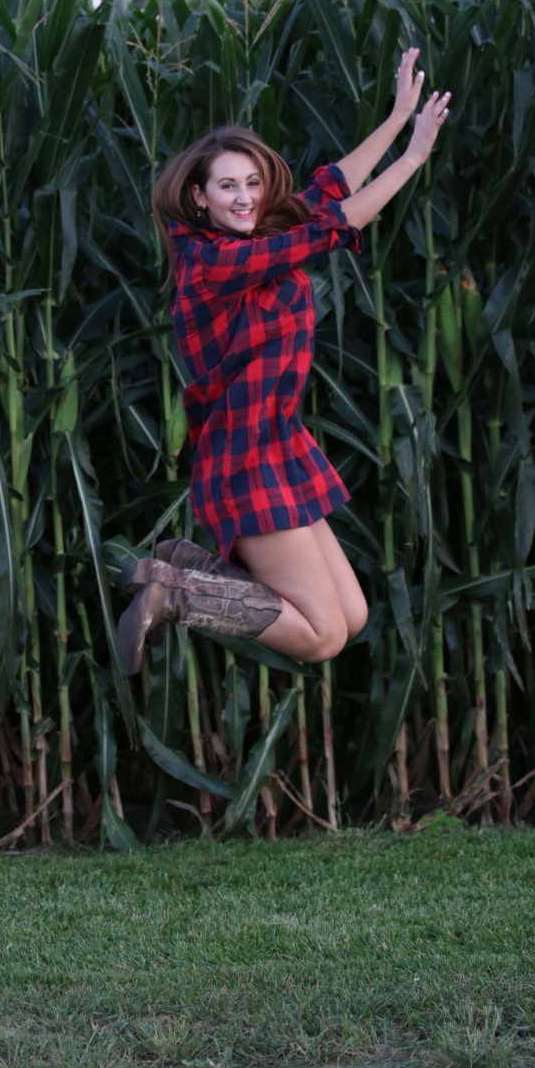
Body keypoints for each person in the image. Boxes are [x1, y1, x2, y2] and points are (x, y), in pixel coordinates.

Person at [117, 48, 450, 675]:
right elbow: (329, 227)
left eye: (252, 183)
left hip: (279, 444)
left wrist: (400, 114)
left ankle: (187, 569)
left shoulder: (258, 235)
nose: (245, 198)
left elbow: (332, 188)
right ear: (198, 196)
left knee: (350, 618)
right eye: (227, 186)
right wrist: (413, 156)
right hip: (244, 457)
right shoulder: (211, 262)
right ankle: (178, 592)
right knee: (322, 638)